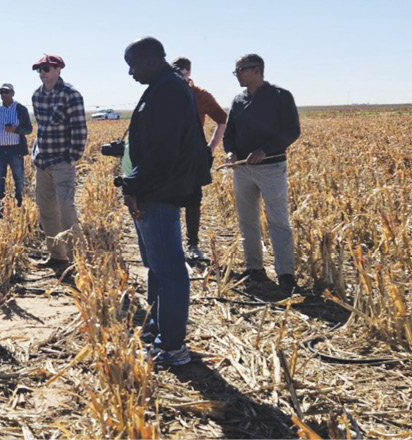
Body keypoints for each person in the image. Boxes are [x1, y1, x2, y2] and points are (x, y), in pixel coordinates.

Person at [121, 36, 206, 367]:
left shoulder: (168, 89)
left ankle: (171, 346)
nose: (130, 73)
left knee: (169, 271)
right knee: (158, 268)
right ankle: (158, 332)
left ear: (149, 61)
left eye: (132, 66)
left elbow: (163, 151)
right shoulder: (162, 86)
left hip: (158, 193)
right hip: (153, 189)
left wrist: (133, 185)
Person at [224, 54, 301, 292]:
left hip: (271, 168)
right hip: (243, 170)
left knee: (278, 221)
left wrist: (264, 150)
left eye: (240, 70)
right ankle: (254, 268)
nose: (237, 75)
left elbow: (292, 131)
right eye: (236, 71)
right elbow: (230, 134)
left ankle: (285, 273)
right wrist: (231, 153)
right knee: (247, 220)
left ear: (257, 70)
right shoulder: (238, 100)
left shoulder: (280, 96)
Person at [30, 54, 87, 278]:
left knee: (66, 209)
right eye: (39, 69)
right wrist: (36, 154)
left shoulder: (71, 95)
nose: (43, 72)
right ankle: (57, 255)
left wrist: (72, 157)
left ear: (58, 69)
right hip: (43, 162)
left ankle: (78, 260)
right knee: (47, 210)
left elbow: (80, 130)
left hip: (63, 162)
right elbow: (41, 129)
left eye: (46, 68)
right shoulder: (37, 96)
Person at [170, 57, 228, 261]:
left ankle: (192, 244)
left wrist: (210, 148)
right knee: (169, 199)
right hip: (169, 154)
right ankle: (172, 243)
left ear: (188, 72)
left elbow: (222, 119)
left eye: (181, 72)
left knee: (193, 200)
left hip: (193, 154)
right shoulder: (165, 92)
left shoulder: (199, 95)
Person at [0, 83, 33, 216]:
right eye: (1, 92)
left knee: (19, 179)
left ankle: (19, 207)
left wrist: (15, 130)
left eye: (6, 92)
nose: (3, 95)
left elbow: (29, 129)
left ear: (13, 93)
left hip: (15, 150)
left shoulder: (20, 109)